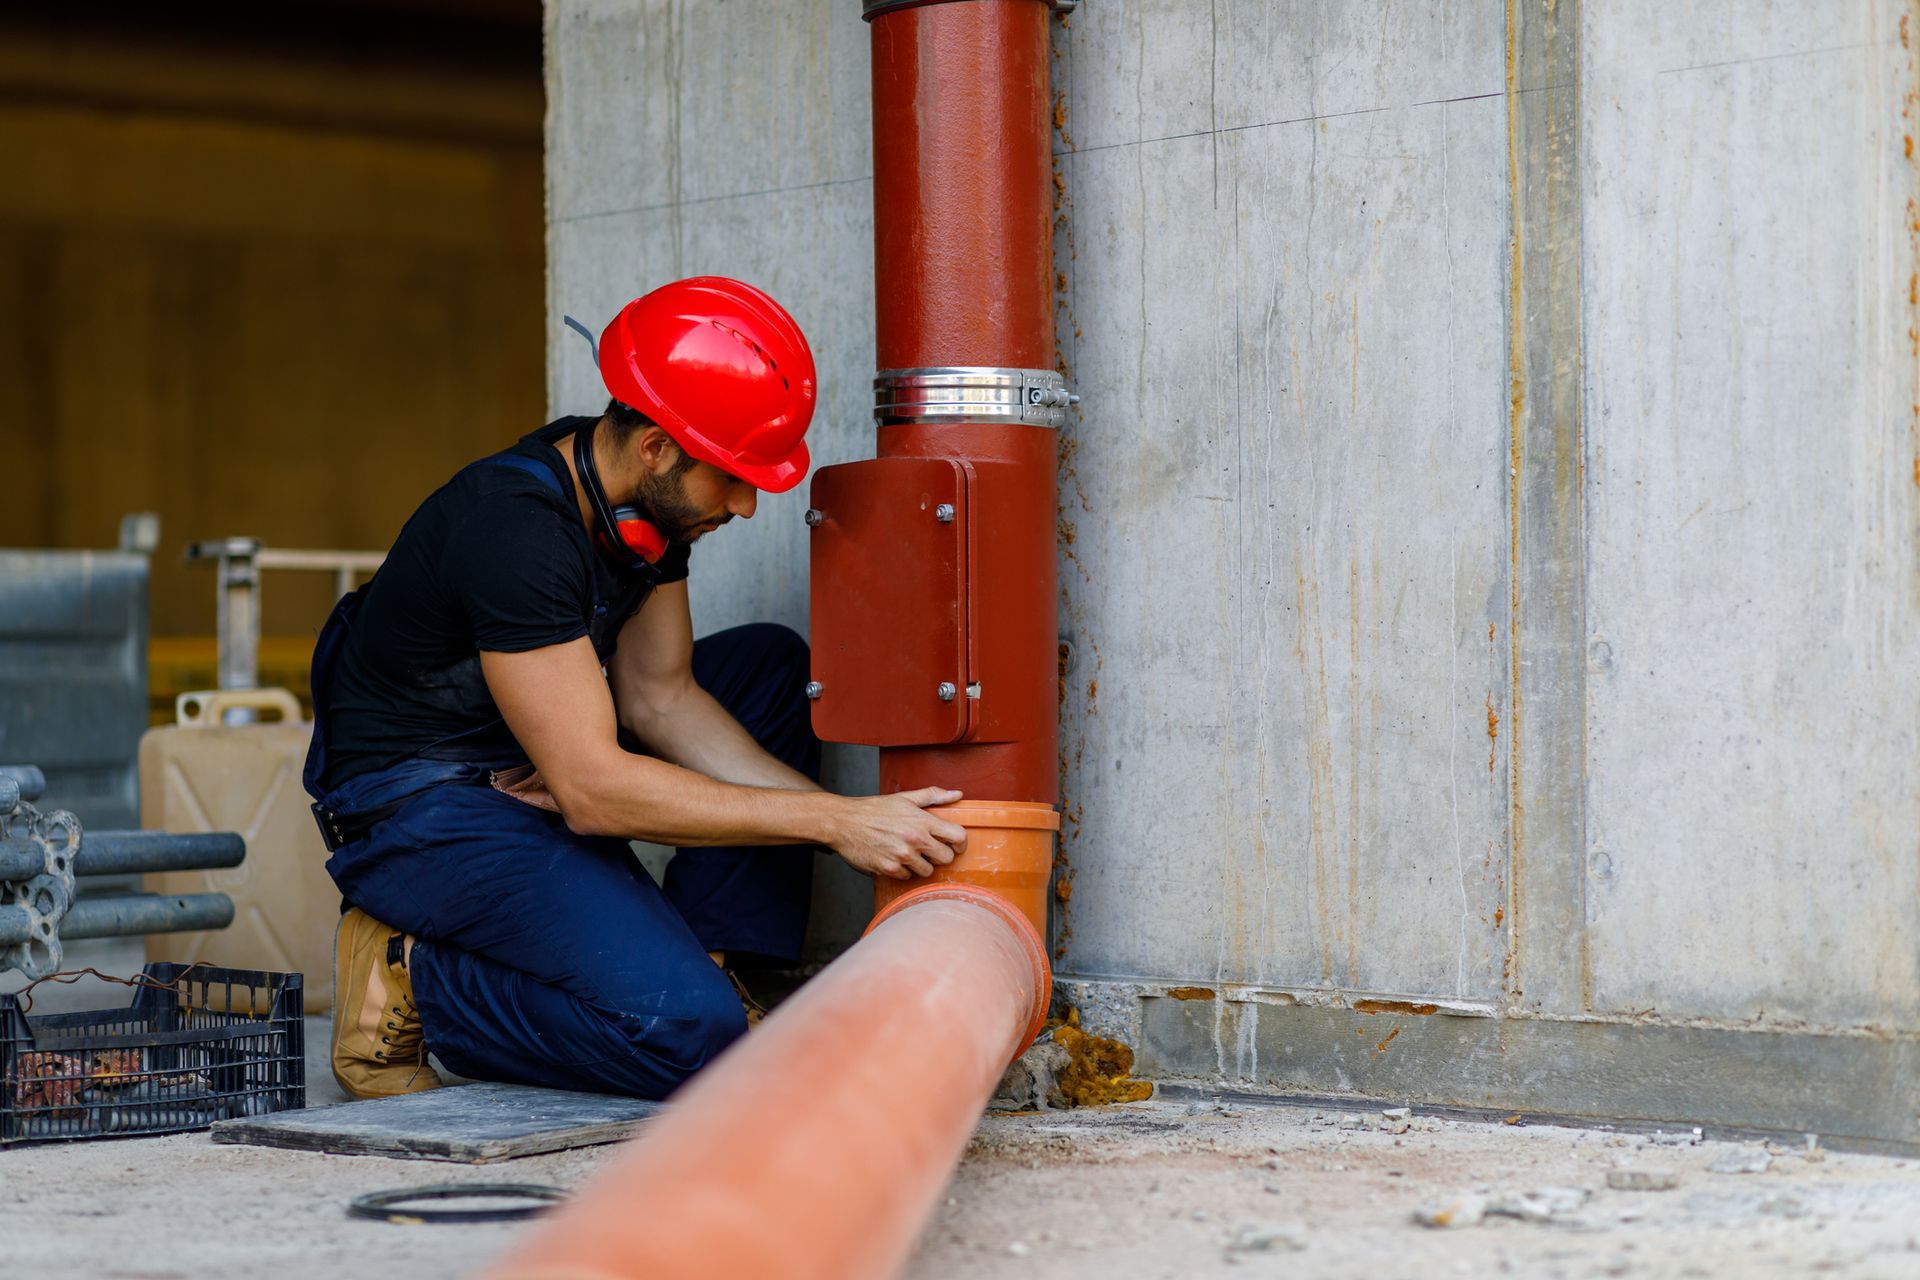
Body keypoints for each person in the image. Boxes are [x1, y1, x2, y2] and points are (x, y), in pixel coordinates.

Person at [302, 276, 969, 1101]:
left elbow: (662, 698)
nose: (749, 504)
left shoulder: (644, 514)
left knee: (766, 666)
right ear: (655, 446)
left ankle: (700, 963)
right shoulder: (513, 529)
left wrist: (857, 831)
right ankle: (417, 975)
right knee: (687, 1039)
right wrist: (835, 821)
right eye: (729, 476)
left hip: (534, 747)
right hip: (420, 806)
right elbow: (591, 793)